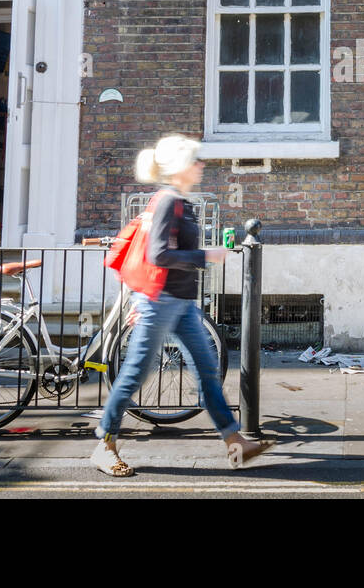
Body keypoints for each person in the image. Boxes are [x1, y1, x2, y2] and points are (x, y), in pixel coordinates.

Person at [93, 134, 272, 476]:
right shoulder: (167, 202)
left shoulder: (180, 202)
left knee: (207, 373)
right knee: (134, 375)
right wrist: (206, 255)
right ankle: (105, 445)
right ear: (180, 167)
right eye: (195, 160)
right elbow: (158, 254)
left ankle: (236, 445)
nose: (201, 164)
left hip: (181, 304)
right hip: (160, 302)